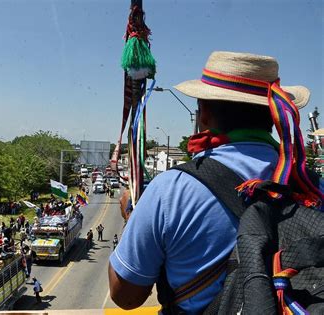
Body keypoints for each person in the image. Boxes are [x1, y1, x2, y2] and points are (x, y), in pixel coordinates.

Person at [108, 51, 323, 313]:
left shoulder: (170, 191)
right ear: (272, 116)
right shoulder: (312, 187)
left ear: (204, 114)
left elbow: (127, 296)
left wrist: (132, 217)